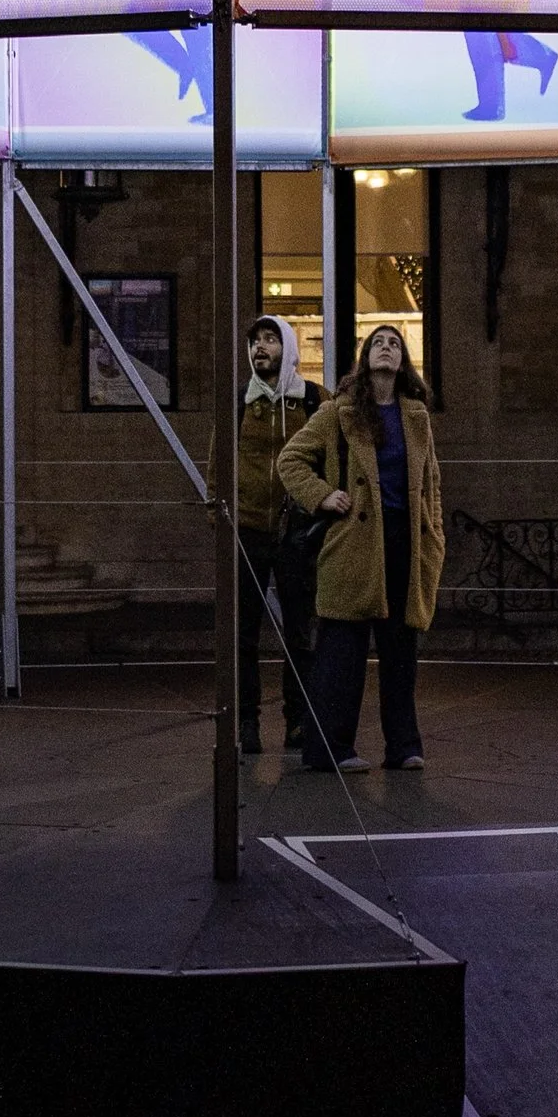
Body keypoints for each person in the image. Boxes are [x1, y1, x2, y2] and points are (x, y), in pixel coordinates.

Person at [277, 322, 446, 774]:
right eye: (378, 343)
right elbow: (289, 460)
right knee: (341, 653)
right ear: (365, 358)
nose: (386, 349)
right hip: (352, 541)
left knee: (401, 652)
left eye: (394, 344)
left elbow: (431, 483)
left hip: (404, 543)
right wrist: (323, 496)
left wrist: (435, 534)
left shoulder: (416, 416)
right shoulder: (339, 411)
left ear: (403, 361)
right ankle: (329, 749)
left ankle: (404, 746)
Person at [233, 313, 321, 755]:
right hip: (248, 530)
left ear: (287, 346)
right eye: (255, 342)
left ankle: (298, 720)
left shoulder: (311, 400)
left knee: (300, 631)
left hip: (297, 534)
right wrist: (221, 518)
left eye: (270, 339)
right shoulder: (241, 403)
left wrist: (320, 509)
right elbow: (219, 462)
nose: (260, 348)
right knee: (243, 634)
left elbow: (329, 459)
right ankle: (247, 722)